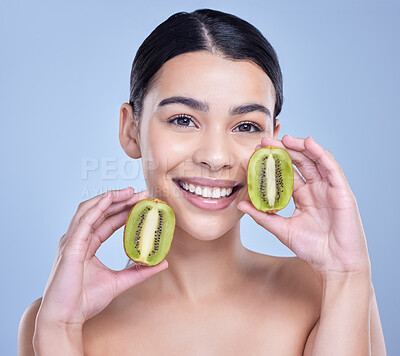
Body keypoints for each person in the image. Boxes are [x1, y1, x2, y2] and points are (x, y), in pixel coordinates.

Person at [18, 8, 387, 355]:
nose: (215, 157)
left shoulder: (334, 291)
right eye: (183, 120)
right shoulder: (58, 319)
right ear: (131, 130)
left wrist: (348, 273)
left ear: (273, 140)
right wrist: (60, 328)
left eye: (246, 127)